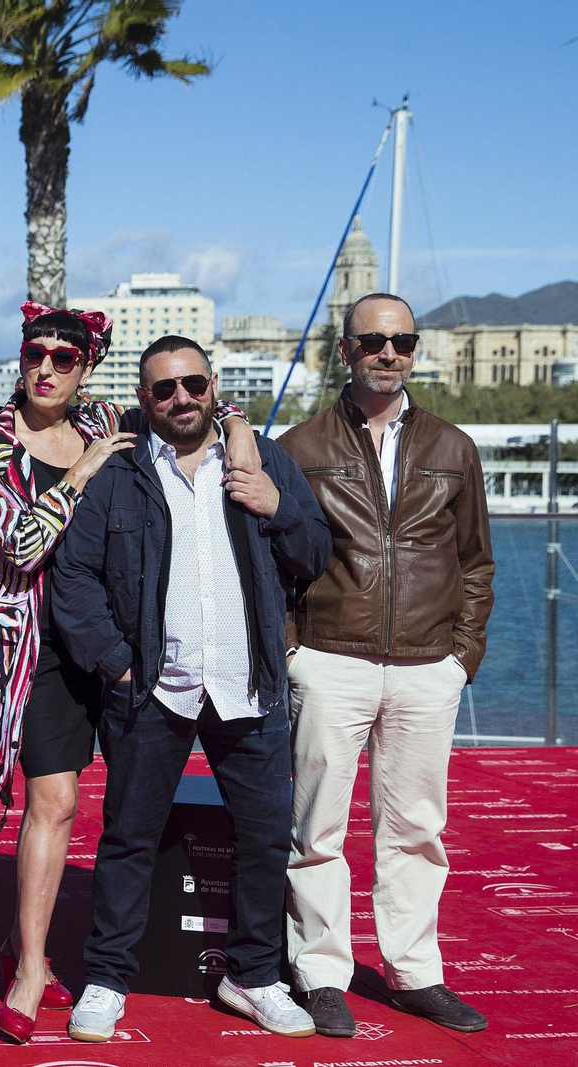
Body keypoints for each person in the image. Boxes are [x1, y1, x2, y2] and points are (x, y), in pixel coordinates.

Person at [0, 303, 259, 1044]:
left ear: (86, 367)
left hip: (122, 636)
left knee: (130, 803)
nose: (48, 367)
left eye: (65, 356)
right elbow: (23, 545)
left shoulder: (107, 415)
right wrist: (84, 471)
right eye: (37, 353)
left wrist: (243, 429)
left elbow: (193, 409)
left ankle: (121, 954)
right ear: (19, 357)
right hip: (34, 644)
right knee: (53, 801)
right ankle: (32, 968)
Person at [51, 335, 331, 1043]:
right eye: (164, 389)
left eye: (194, 385)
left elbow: (315, 554)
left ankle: (255, 974)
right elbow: (74, 577)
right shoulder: (118, 474)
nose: (181, 398)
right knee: (128, 839)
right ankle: (108, 977)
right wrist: (116, 663)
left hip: (249, 685)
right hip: (153, 688)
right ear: (144, 398)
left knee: (267, 839)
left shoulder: (263, 460)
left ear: (214, 388)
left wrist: (277, 506)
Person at [280, 293, 494, 1036]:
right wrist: (291, 651)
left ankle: (414, 972)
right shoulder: (301, 446)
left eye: (403, 339)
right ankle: (320, 971)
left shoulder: (452, 447)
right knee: (316, 830)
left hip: (427, 666)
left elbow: (474, 563)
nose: (389, 352)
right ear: (346, 348)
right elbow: (270, 559)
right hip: (330, 659)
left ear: (415, 347)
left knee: (414, 828)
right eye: (373, 339)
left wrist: (461, 657)